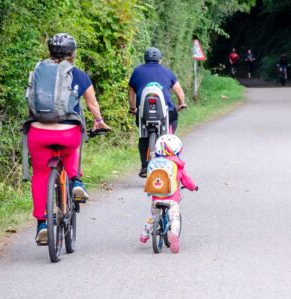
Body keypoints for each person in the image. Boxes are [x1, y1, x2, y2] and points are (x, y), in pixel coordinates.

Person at [25, 33, 112, 244]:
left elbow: (30, 100)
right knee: (74, 143)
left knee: (40, 175)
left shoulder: (37, 72)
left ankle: (42, 225)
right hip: (67, 134)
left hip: (38, 132)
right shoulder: (78, 75)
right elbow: (92, 104)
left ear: (49, 51)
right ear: (72, 54)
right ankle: (76, 181)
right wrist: (98, 120)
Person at [128, 47, 187, 178]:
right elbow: (179, 91)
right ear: (160, 59)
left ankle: (144, 166)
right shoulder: (167, 72)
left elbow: (131, 92)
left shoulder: (137, 71)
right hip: (166, 113)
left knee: (143, 136)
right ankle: (167, 153)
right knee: (172, 122)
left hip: (143, 113)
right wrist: (182, 103)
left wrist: (133, 108)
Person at [139, 134, 198, 253]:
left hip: (156, 197)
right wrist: (193, 187)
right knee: (175, 217)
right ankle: (174, 235)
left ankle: (144, 235)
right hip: (172, 199)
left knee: (151, 216)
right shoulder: (177, 166)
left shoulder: (154, 163)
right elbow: (187, 181)